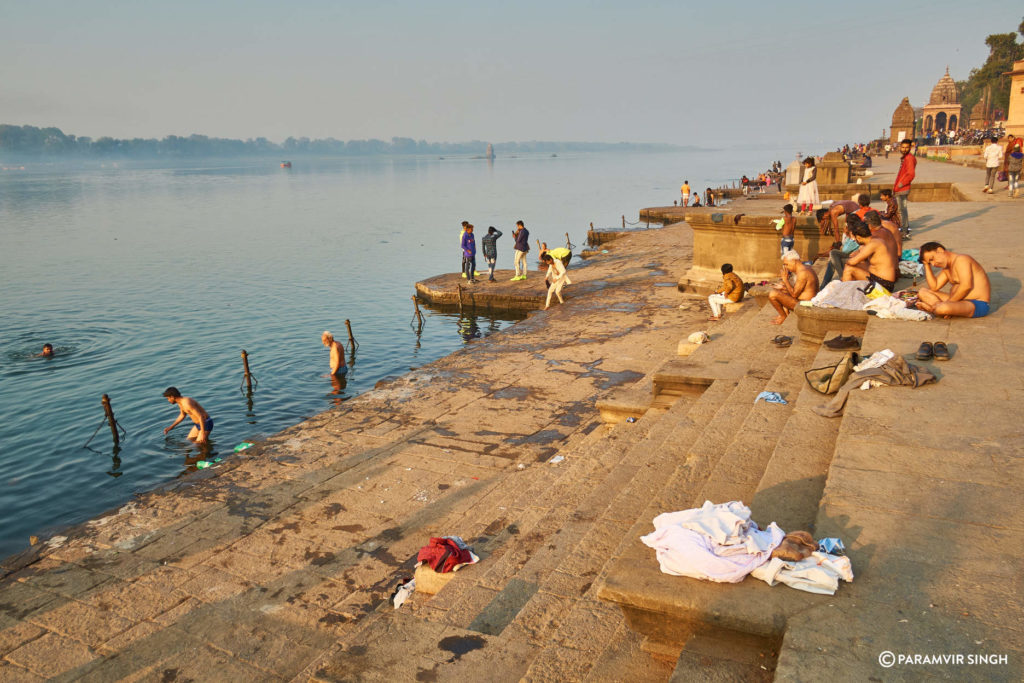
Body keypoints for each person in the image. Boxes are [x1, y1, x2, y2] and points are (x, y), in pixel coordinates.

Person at [916, 242, 991, 318]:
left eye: (932, 259)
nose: (933, 264)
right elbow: (934, 287)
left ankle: (933, 309)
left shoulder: (962, 260)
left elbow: (966, 286)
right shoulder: (947, 268)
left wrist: (948, 304)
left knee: (943, 308)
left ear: (940, 250)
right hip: (957, 301)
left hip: (976, 304)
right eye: (930, 262)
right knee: (922, 291)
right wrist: (926, 264)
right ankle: (938, 308)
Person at [842, 218, 898, 293]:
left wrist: (847, 261)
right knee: (857, 265)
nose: (855, 241)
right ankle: (848, 290)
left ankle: (845, 295)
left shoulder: (872, 244)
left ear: (858, 237)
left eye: (855, 239)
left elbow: (852, 262)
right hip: (879, 279)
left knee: (849, 268)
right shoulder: (874, 240)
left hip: (884, 284)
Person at [768, 250, 818, 324]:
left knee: (773, 294)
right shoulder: (805, 268)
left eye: (786, 264)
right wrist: (784, 286)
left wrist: (785, 280)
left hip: (807, 304)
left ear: (794, 261)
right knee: (782, 286)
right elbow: (797, 290)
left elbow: (794, 294)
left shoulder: (803, 273)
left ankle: (783, 316)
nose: (785, 267)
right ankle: (786, 312)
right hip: (805, 301)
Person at [894, 139, 916, 230]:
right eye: (903, 147)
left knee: (902, 210)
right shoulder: (906, 158)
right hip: (901, 188)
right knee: (902, 209)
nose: (904, 149)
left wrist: (900, 184)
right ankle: (904, 228)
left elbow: (911, 174)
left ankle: (904, 230)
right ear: (900, 147)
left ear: (910, 148)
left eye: (907, 147)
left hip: (902, 188)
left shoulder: (909, 158)